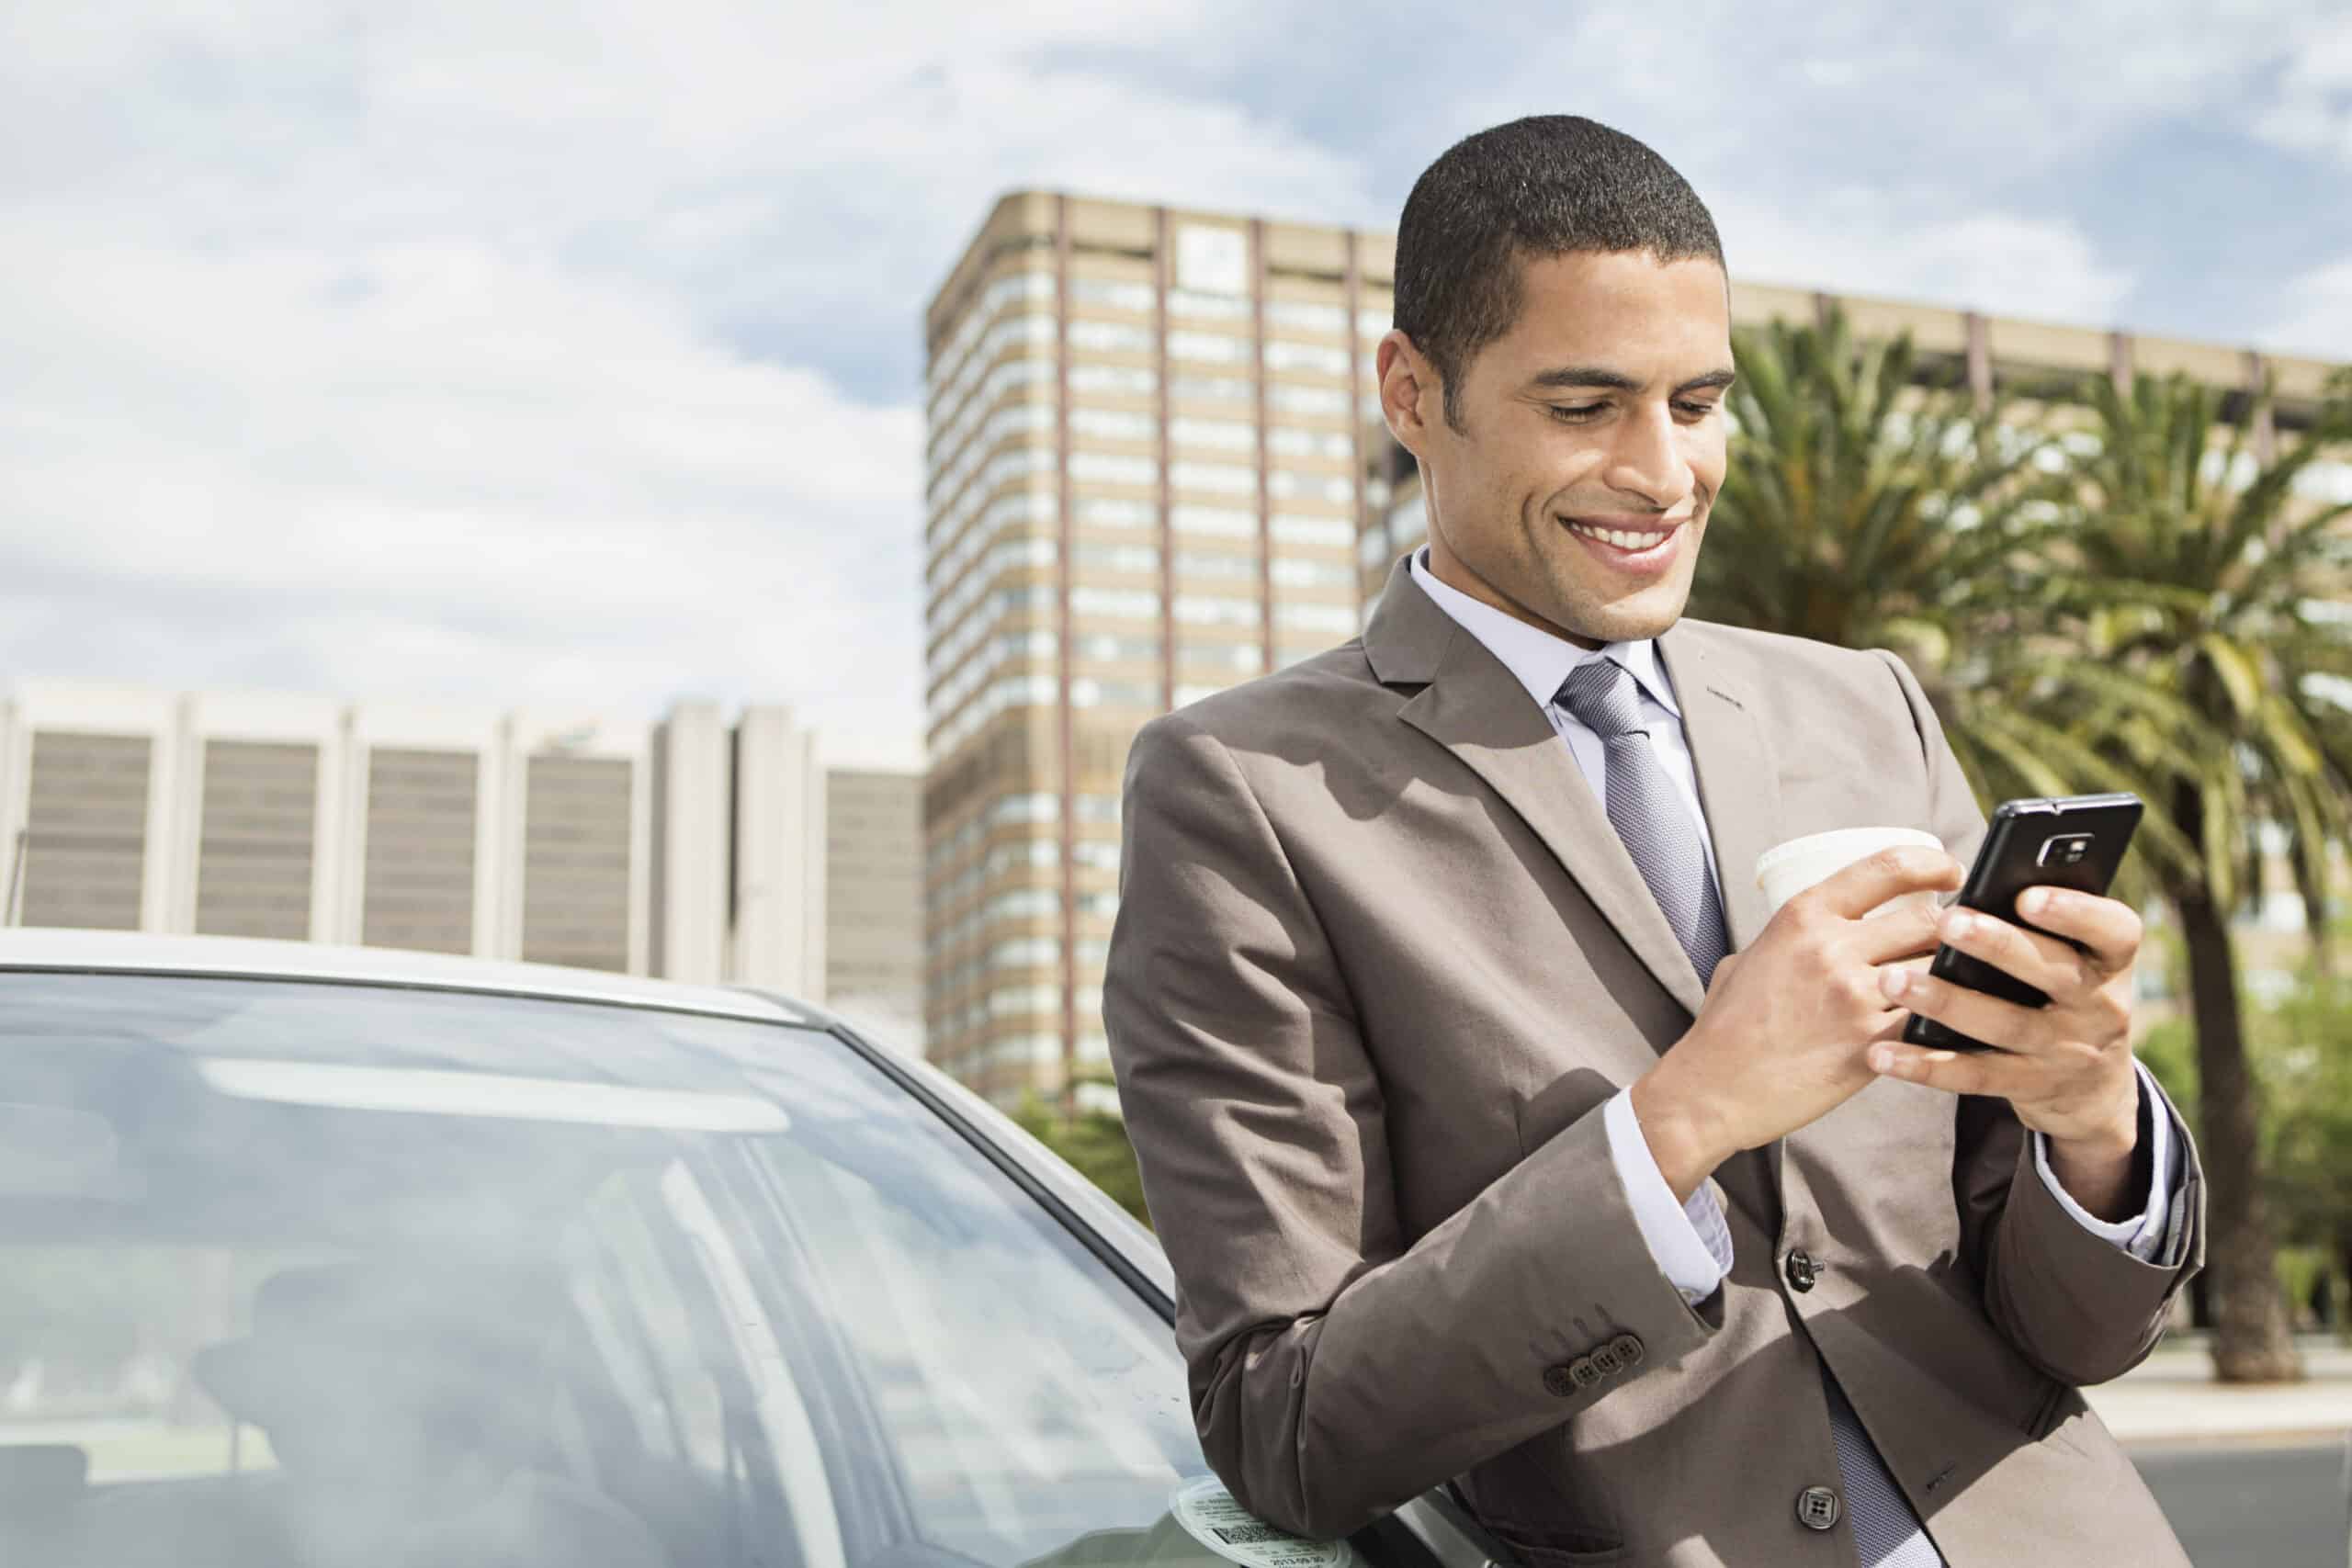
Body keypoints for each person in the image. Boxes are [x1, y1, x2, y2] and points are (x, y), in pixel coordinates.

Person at [1102, 116, 2201, 1568]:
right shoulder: (1240, 792)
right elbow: (1292, 1427)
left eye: (1699, 401)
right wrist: (1683, 1119)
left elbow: (2078, 1327)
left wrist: (2091, 1124)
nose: (1663, 470)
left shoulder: (1868, 710)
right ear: (1412, 392)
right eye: (1586, 406)